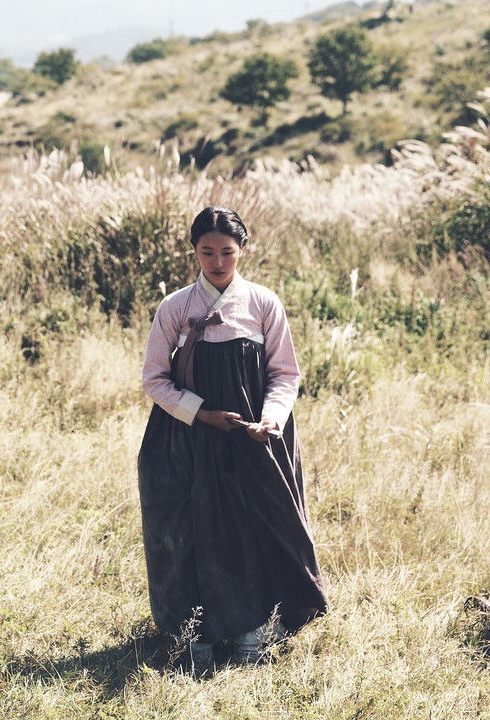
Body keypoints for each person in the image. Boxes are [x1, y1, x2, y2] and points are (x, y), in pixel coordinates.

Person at [138, 206, 327, 671]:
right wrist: (201, 414)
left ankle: (253, 631)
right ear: (194, 252)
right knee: (189, 533)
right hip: (185, 439)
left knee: (252, 528)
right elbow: (154, 380)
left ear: (242, 251)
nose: (217, 262)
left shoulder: (264, 303)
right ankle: (195, 636)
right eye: (207, 252)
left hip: (253, 439)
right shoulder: (175, 307)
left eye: (227, 252)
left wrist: (271, 420)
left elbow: (285, 374)